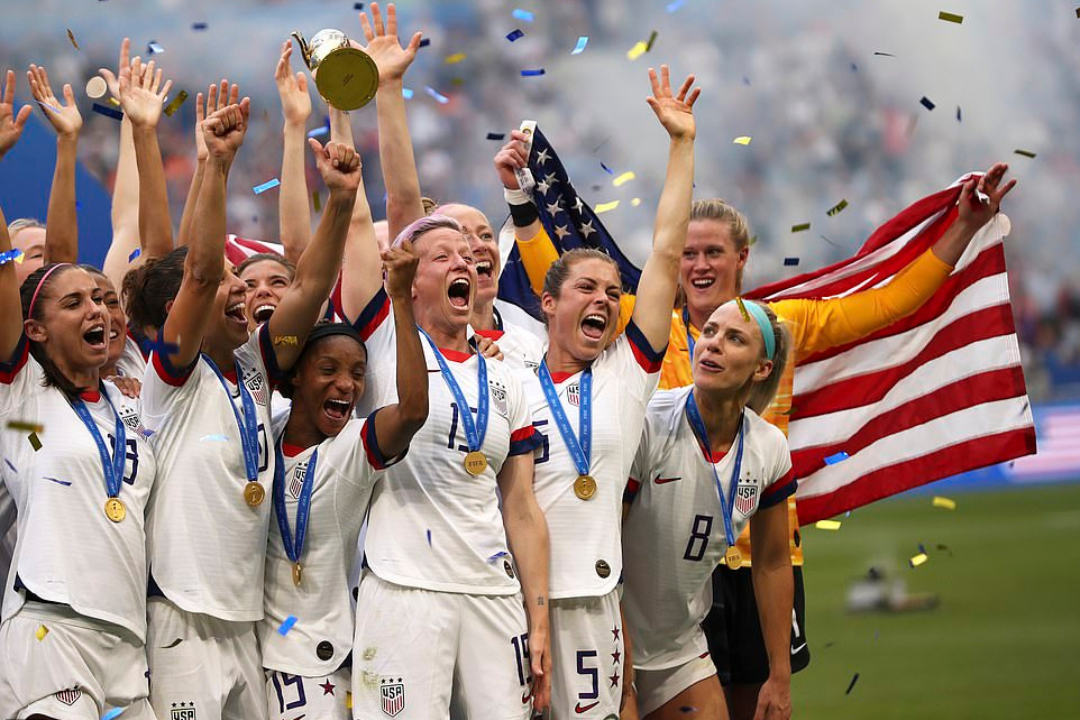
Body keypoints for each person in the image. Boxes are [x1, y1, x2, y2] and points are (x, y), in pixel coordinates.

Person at [506, 155, 1017, 717]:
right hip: (661, 571)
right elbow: (559, 288)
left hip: (754, 559)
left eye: (714, 253)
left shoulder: (783, 325)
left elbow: (890, 305)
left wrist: (965, 226)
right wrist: (525, 211)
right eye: (691, 253)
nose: (699, 265)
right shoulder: (643, 330)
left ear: (741, 258)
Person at [127, 84, 362, 719]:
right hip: (181, 615)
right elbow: (201, 272)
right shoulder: (171, 377)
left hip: (247, 623)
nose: (239, 292)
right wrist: (217, 166)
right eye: (229, 285)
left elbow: (311, 283)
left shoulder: (257, 366)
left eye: (243, 285)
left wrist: (339, 202)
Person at [492, 65, 698, 719]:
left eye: (613, 293)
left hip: (593, 605)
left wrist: (682, 144)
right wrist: (518, 209)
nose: (606, 300)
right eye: (587, 288)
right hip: (504, 604)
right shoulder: (506, 371)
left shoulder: (625, 375)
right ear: (547, 302)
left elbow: (666, 254)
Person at [0, 201, 158, 718]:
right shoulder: (23, 401)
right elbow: (6, 274)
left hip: (128, 639)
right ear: (36, 330)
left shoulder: (133, 402)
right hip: (53, 627)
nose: (96, 309)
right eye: (73, 304)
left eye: (99, 298)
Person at [261, 241, 428, 720]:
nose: (347, 385)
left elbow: (413, 410)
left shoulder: (355, 445)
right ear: (294, 379)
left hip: (320, 654)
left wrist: (399, 299)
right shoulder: (260, 433)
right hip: (253, 647)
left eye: (357, 374)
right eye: (328, 370)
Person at [622, 300, 795, 720]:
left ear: (762, 369)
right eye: (711, 331)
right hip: (608, 635)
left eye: (734, 338)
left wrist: (780, 676)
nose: (713, 344)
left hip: (678, 648)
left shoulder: (768, 447)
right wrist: (620, 664)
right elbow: (603, 547)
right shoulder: (647, 422)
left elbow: (772, 563)